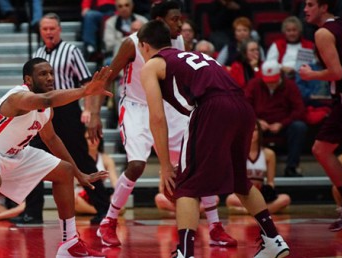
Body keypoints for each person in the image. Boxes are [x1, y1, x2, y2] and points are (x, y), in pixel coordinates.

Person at [89, 1, 237, 248]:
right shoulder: (132, 43)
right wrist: (94, 113)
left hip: (167, 105)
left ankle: (215, 226)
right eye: (176, 19)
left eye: (180, 19)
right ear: (159, 21)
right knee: (136, 165)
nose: (181, 24)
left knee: (195, 161)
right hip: (136, 106)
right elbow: (105, 78)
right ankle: (109, 222)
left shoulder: (176, 41)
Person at [138, 20, 290, 258]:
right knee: (240, 180)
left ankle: (185, 253)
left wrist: (166, 165)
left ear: (144, 45)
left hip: (212, 108)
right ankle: (273, 239)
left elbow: (157, 118)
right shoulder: (194, 55)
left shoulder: (152, 65)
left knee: (186, 185)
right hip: (242, 107)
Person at [0, 58, 112, 258]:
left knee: (65, 171)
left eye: (51, 73)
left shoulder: (46, 112)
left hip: (14, 154)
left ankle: (70, 243)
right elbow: (47, 99)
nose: (50, 77)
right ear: (28, 79)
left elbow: (51, 139)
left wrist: (79, 174)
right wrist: (84, 91)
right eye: (43, 74)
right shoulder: (18, 97)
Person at [32, 12, 112, 225]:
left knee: (80, 158)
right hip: (44, 110)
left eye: (52, 29)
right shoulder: (38, 52)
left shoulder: (71, 51)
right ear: (40, 31)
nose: (48, 32)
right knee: (32, 154)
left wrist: (88, 110)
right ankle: (32, 212)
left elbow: (88, 83)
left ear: (59, 30)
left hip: (67, 110)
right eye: (45, 29)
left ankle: (104, 208)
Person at [298, 0, 342, 232]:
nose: (305, 9)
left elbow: (336, 72)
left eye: (310, 4)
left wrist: (310, 75)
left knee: (322, 150)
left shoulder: (323, 33)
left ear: (324, 6)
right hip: (340, 100)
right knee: (321, 149)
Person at [246, 59, 308, 177]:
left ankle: (292, 167)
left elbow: (299, 110)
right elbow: (244, 108)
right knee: (245, 126)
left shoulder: (290, 86)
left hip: (283, 125)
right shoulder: (254, 85)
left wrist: (282, 123)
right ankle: (247, 167)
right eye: (267, 81)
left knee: (299, 127)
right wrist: (257, 121)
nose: (270, 84)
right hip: (260, 126)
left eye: (273, 81)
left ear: (279, 75)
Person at [226, 121, 292, 214]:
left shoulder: (269, 154)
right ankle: (264, 211)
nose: (252, 133)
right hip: (244, 194)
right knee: (230, 199)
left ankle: (247, 212)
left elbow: (270, 182)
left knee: (285, 198)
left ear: (260, 132)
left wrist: (268, 193)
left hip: (261, 195)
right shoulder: (238, 153)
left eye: (255, 130)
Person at [75, 131, 119, 215]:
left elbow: (114, 181)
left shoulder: (106, 159)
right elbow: (71, 181)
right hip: (82, 194)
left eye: (95, 137)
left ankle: (102, 210)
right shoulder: (78, 158)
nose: (92, 141)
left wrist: (117, 193)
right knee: (73, 200)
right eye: (88, 138)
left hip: (101, 193)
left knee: (120, 203)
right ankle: (102, 211)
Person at [103, 0, 148, 65]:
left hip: (140, 53)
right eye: (120, 6)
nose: (124, 8)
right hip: (116, 55)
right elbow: (109, 45)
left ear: (132, 6)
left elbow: (149, 40)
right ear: (116, 8)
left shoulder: (142, 20)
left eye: (127, 5)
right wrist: (125, 41)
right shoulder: (110, 22)